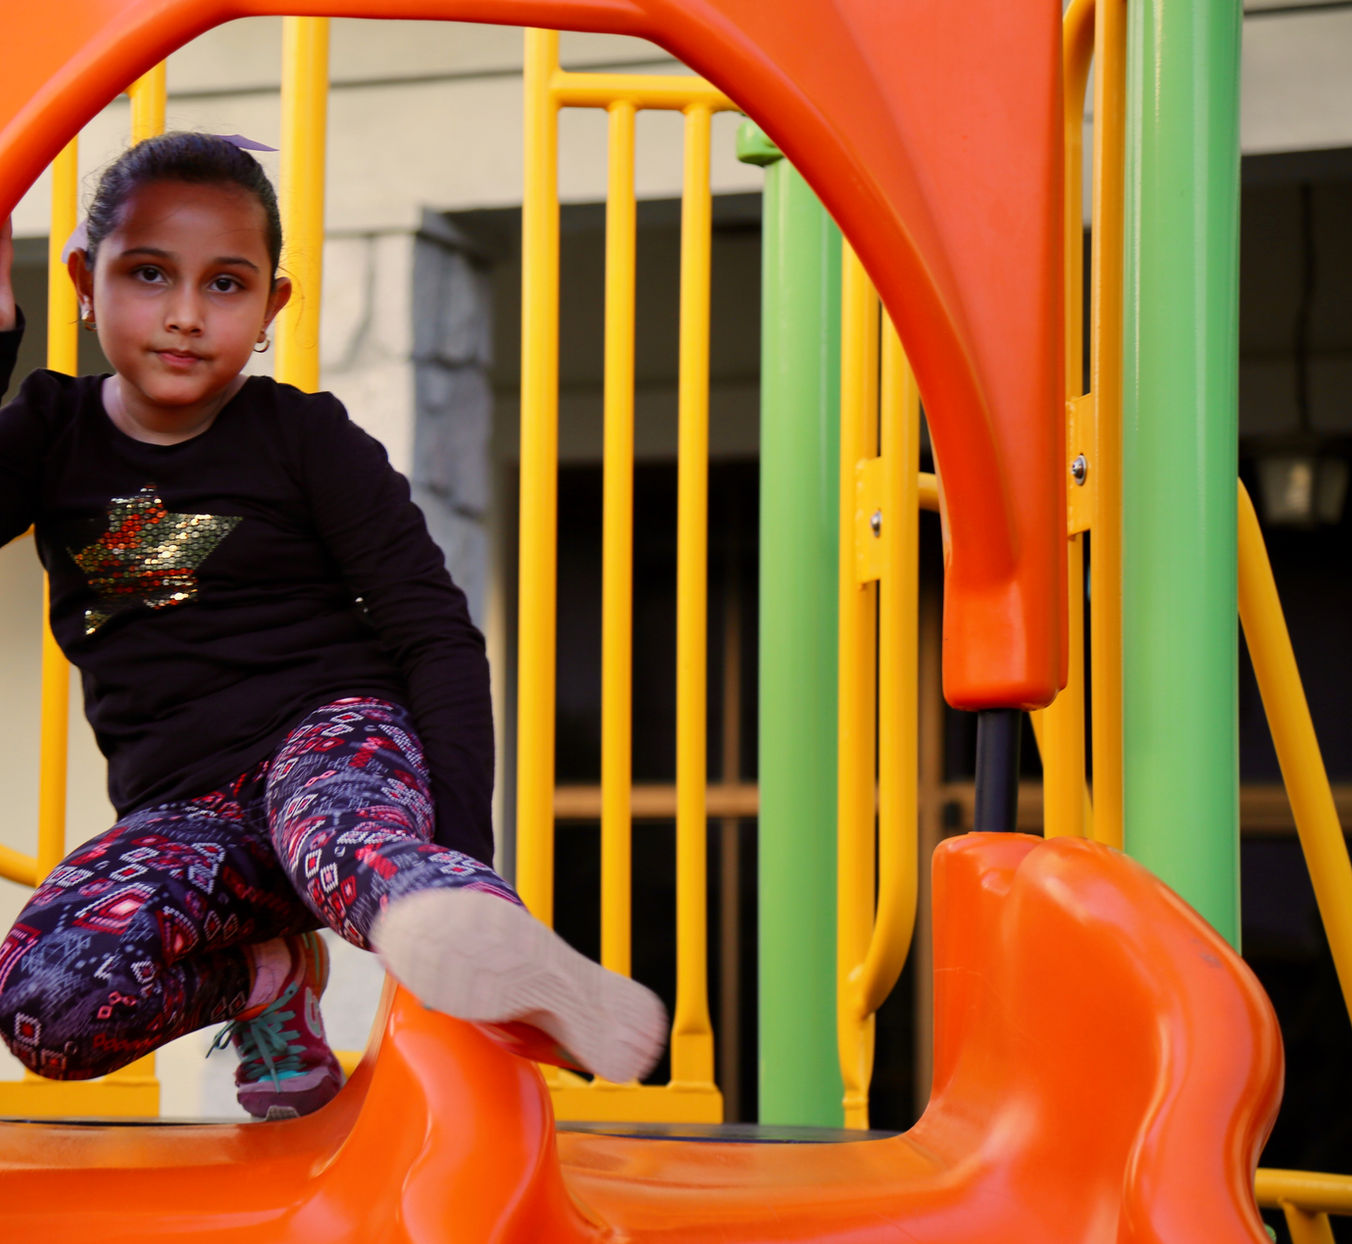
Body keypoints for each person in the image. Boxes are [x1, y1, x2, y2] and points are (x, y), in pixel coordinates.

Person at [0, 132, 666, 1120]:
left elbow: (435, 633)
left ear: (271, 306)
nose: (185, 316)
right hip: (188, 815)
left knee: (338, 829)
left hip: (329, 735)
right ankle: (262, 979)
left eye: (226, 285)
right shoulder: (50, 435)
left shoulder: (305, 438)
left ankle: (479, 939)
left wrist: (463, 853)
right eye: (149, 275)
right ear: (83, 282)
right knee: (44, 1001)